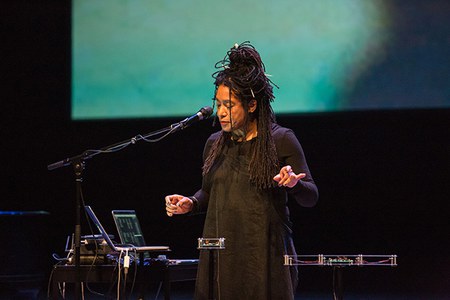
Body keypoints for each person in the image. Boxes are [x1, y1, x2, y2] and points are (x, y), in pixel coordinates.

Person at [165, 41, 318, 300]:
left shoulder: (281, 139)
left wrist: (294, 184)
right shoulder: (214, 143)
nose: (221, 113)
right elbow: (208, 192)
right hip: (221, 252)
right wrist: (190, 203)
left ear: (251, 105)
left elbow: (311, 195)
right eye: (218, 105)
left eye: (229, 105)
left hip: (263, 254)